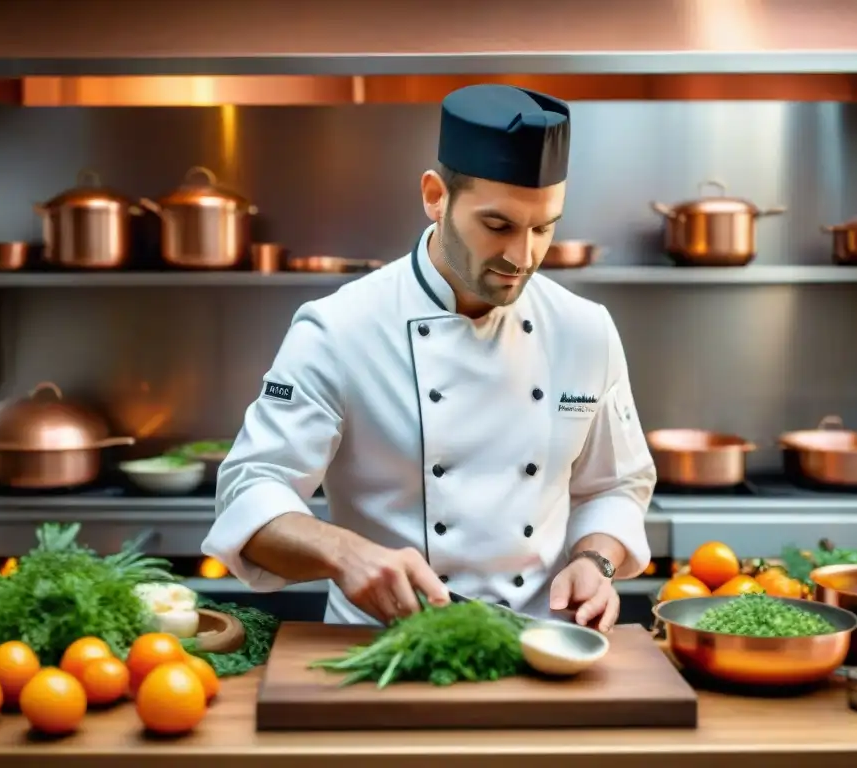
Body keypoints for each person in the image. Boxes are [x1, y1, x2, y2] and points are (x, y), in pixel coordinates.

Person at [203, 84, 656, 631]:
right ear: (435, 196)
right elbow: (250, 489)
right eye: (498, 226)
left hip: (543, 652)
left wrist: (594, 559)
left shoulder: (586, 330)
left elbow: (615, 485)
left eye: (543, 228)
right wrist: (342, 553)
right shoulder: (340, 328)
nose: (522, 256)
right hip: (382, 655)